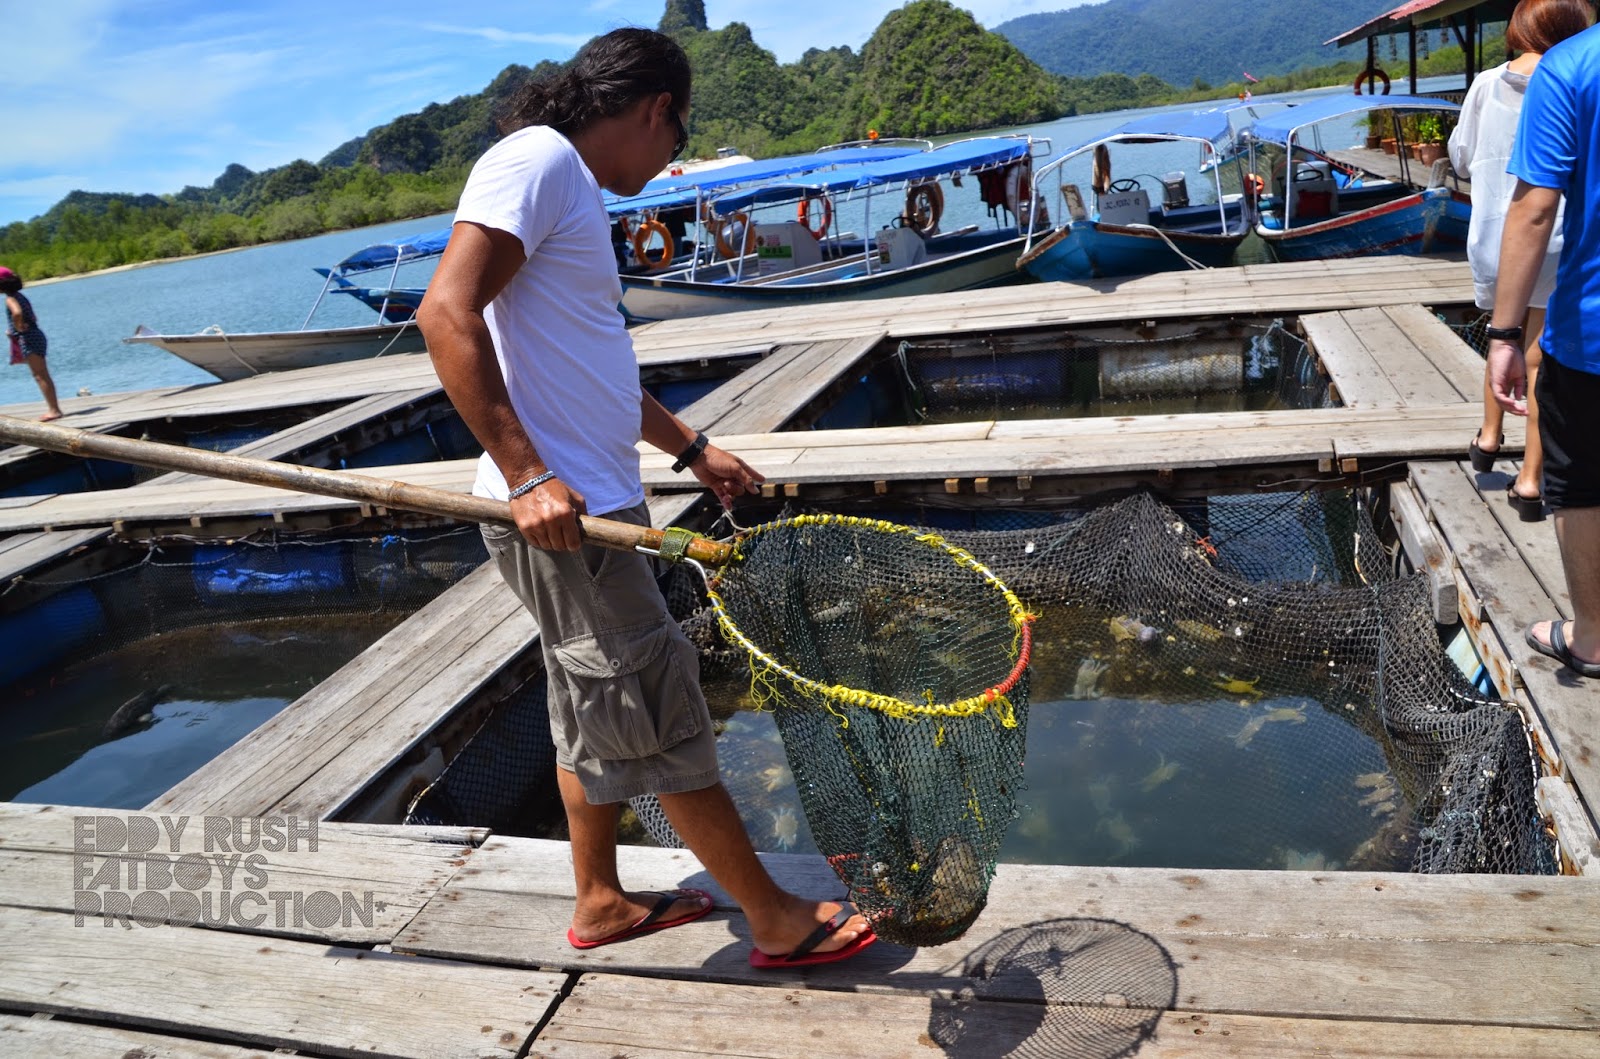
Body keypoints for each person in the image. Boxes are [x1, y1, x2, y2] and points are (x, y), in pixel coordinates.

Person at [416, 28, 878, 966]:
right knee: (659, 706)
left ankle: (599, 900)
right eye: (678, 137)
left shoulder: (565, 184)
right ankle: (774, 918)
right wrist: (528, 474)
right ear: (656, 109)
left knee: (592, 707)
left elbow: (590, 368)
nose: (672, 159)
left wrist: (694, 449)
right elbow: (444, 312)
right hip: (566, 518)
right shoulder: (537, 159)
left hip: (592, 512)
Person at [1487, 16, 1600, 680]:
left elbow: (1534, 208)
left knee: (1583, 483)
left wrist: (1504, 333)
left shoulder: (1571, 67)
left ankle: (1589, 639)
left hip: (1590, 332)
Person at [1452, 0, 1592, 522]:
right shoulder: (1575, 76)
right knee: (1538, 358)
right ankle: (1530, 482)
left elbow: (1462, 155)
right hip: (1557, 237)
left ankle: (1488, 439)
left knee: (1500, 338)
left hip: (1494, 234)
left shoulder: (1486, 84)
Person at [1, 266, 65, 422]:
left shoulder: (10, 299)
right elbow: (33, 318)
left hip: (29, 338)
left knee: (39, 375)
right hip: (36, 335)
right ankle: (54, 408)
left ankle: (54, 410)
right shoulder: (20, 296)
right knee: (43, 374)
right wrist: (15, 329)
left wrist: (17, 327)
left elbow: (17, 313)